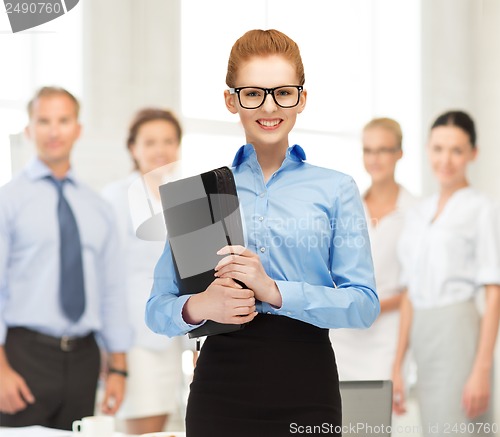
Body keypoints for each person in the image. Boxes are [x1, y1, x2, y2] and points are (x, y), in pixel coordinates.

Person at [146, 29, 380, 437]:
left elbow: (363, 305)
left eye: (283, 92)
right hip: (219, 388)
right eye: (253, 93)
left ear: (301, 99)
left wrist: (274, 290)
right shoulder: (200, 195)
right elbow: (157, 309)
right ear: (231, 99)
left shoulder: (336, 188)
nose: (269, 106)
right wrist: (201, 305)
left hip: (307, 384)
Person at [0, 87, 132, 430]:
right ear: (29, 129)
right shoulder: (8, 202)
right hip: (22, 358)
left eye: (63, 120)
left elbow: (112, 291)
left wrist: (118, 367)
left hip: (84, 360)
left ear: (78, 129)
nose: (54, 131)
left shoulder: (98, 208)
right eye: (44, 121)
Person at [392, 110, 500, 436]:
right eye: (438, 148)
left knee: (460, 428)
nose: (446, 159)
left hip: (459, 334)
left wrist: (482, 369)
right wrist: (398, 364)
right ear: (427, 149)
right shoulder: (417, 214)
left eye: (456, 150)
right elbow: (409, 292)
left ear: (473, 154)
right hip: (423, 336)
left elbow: (494, 290)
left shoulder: (481, 209)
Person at [102, 108, 184, 435]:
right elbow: (107, 278)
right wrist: (112, 353)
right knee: (142, 428)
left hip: (172, 334)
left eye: (168, 141)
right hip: (134, 339)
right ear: (133, 148)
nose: (160, 149)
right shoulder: (115, 197)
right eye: (150, 141)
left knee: (162, 426)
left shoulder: (180, 196)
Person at [331, 117, 417, 381]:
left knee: (377, 419)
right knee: (338, 418)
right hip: (343, 335)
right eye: (368, 150)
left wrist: (370, 304)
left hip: (386, 336)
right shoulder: (345, 205)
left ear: (399, 153)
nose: (375, 158)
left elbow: (412, 292)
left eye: (383, 150)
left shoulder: (416, 211)